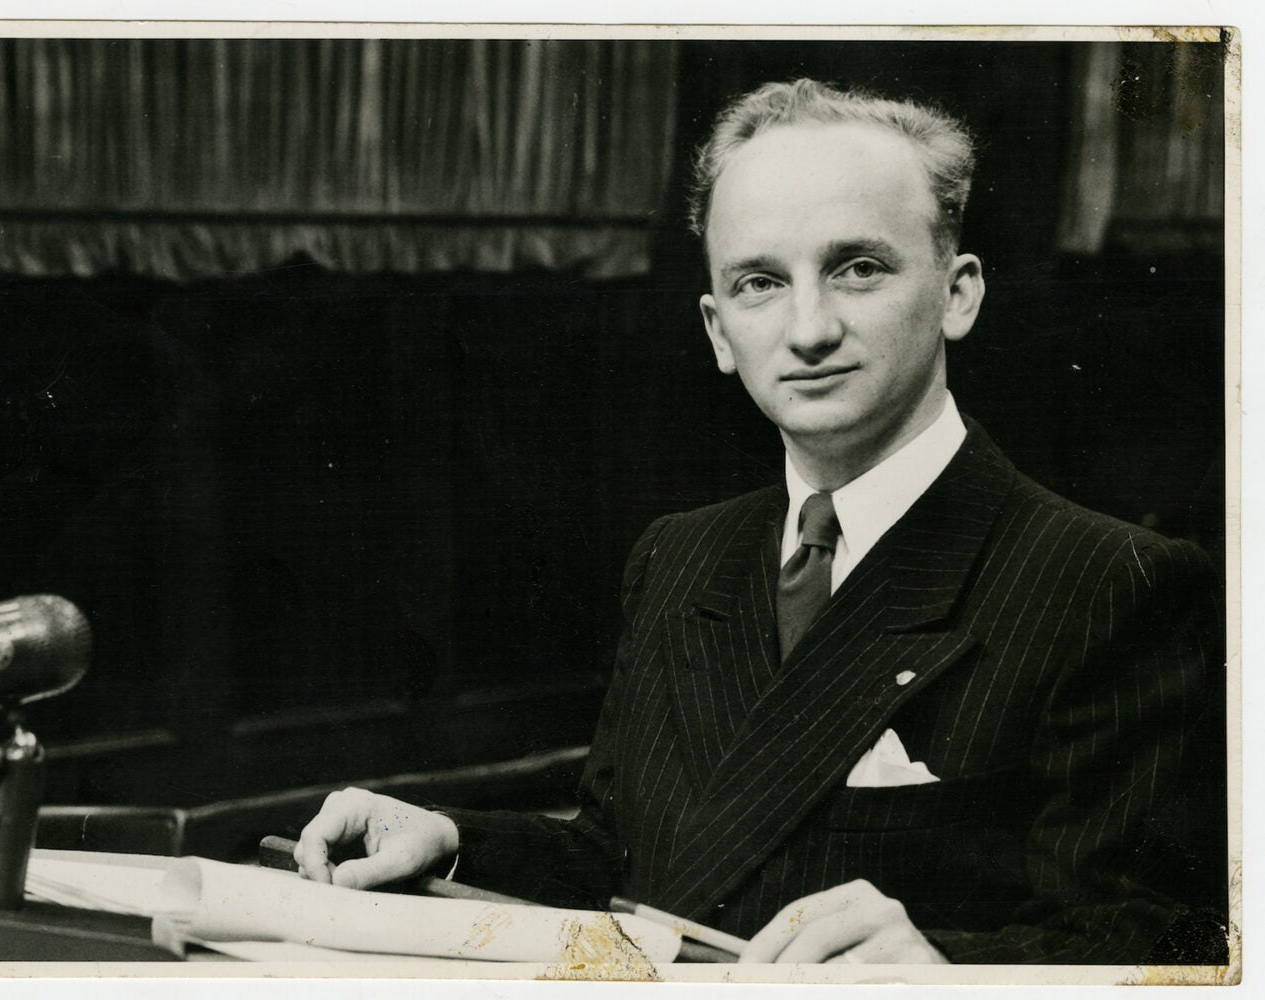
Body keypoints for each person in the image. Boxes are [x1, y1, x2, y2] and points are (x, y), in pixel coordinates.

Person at [292, 79, 1226, 965]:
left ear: (958, 293)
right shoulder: (679, 556)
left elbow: (1158, 939)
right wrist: (450, 839)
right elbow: (629, 865)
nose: (808, 329)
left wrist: (947, 969)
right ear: (717, 331)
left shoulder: (1113, 583)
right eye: (759, 283)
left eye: (858, 269)